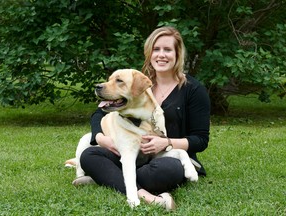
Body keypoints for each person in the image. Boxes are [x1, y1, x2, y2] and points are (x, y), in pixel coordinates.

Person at [80, 26, 210, 210]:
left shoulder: (193, 89)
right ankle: (143, 193)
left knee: (166, 171)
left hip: (165, 158)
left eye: (167, 49)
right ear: (149, 53)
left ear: (177, 53)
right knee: (89, 155)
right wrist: (100, 138)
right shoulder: (138, 82)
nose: (161, 55)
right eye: (156, 49)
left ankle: (109, 178)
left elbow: (200, 140)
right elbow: (99, 114)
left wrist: (165, 143)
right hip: (131, 154)